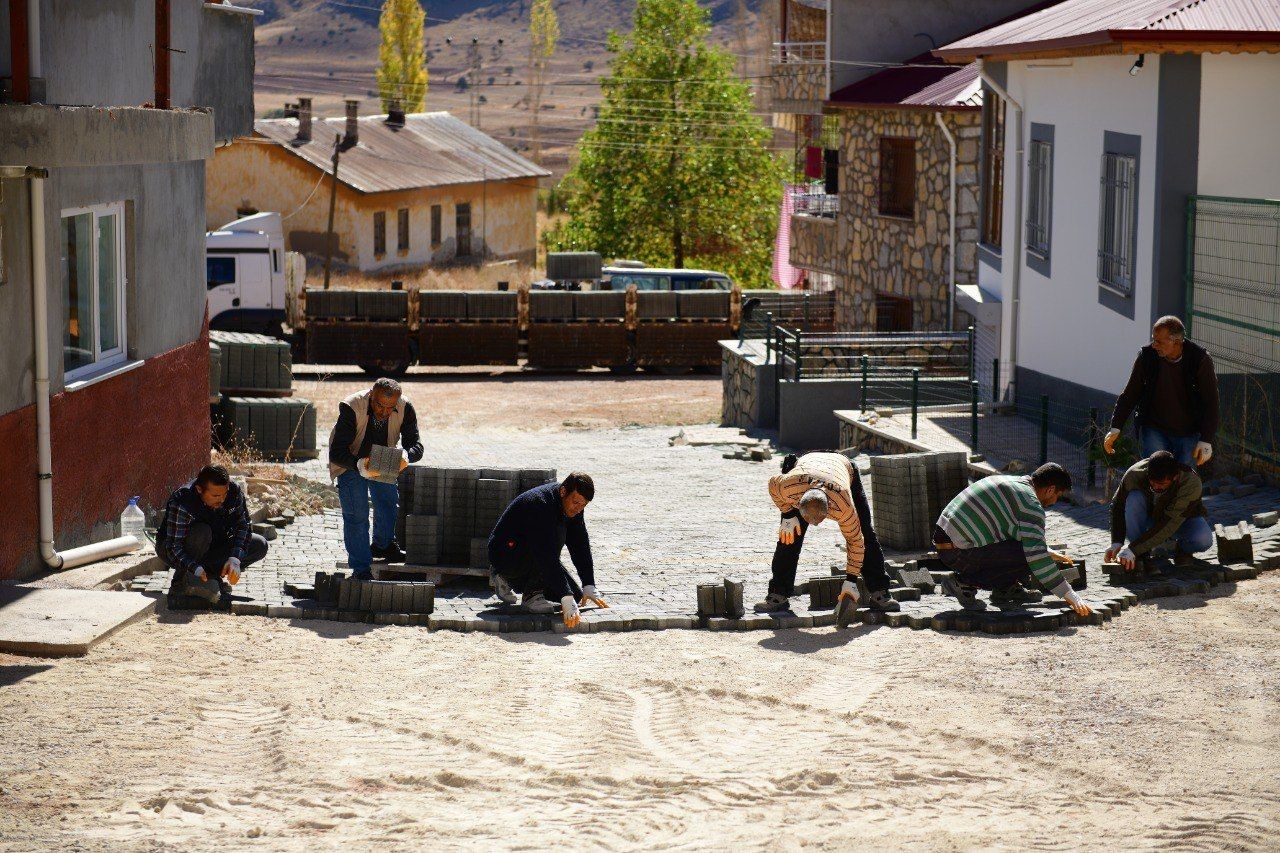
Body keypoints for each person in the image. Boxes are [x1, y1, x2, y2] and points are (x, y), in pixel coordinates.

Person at [755, 452, 901, 627]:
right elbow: (773, 485)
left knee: (865, 533)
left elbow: (855, 541)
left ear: (829, 510)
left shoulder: (843, 506)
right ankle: (778, 594)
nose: (814, 526)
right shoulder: (788, 487)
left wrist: (851, 580)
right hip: (806, 469)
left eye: (819, 521)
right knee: (789, 537)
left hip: (843, 469)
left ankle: (880, 592)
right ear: (799, 503)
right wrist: (788, 515)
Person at [934, 463, 1092, 617]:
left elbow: (1018, 534)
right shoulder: (1031, 504)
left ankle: (1004, 589)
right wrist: (1070, 595)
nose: (1055, 502)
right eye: (1057, 496)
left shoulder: (1017, 484)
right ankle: (962, 583)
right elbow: (1036, 557)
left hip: (945, 542)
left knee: (1026, 551)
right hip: (957, 551)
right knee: (1028, 558)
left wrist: (1047, 551)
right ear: (1050, 489)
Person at [328, 377, 424, 580]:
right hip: (350, 460)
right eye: (380, 405)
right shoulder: (351, 405)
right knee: (357, 514)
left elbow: (416, 445)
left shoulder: (405, 407)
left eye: (390, 408)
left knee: (388, 502)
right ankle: (362, 568)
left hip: (383, 459)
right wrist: (359, 465)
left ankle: (382, 545)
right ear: (371, 395)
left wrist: (406, 454)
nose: (384, 412)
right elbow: (336, 452)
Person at [487, 473, 606, 628]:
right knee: (556, 539)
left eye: (583, 505)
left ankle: (510, 580)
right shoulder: (540, 504)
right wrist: (565, 597)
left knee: (575, 596)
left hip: (533, 553)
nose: (578, 509)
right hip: (505, 553)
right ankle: (528, 592)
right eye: (576, 502)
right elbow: (546, 556)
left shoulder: (574, 506)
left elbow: (580, 543)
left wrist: (588, 584)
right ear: (563, 492)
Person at [1105, 315, 1220, 467]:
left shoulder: (1200, 359)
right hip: (1154, 429)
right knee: (1156, 476)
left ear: (1176, 342)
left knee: (1184, 482)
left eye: (1159, 341)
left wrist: (1206, 439)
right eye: (1153, 339)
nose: (1154, 345)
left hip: (1188, 432)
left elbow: (1211, 402)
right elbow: (1130, 394)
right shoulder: (1147, 357)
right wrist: (1115, 427)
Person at [158, 464, 268, 609]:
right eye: (215, 495)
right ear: (199, 490)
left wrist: (234, 559)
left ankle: (210, 577)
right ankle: (180, 582)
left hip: (214, 545)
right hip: (176, 550)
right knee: (202, 532)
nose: (221, 500)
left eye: (224, 494)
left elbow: (244, 526)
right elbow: (173, 548)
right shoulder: (183, 501)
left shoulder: (234, 492)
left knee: (259, 544)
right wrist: (194, 568)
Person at [1105, 450, 1211, 573]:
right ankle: (1142, 556)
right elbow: (1118, 505)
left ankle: (1180, 549)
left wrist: (1132, 549)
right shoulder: (1135, 473)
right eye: (1152, 482)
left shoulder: (1191, 483)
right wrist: (1116, 542)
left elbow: (1169, 524)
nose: (1156, 487)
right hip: (1150, 519)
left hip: (1181, 521)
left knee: (1203, 539)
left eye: (1161, 484)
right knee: (1133, 498)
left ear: (1175, 477)